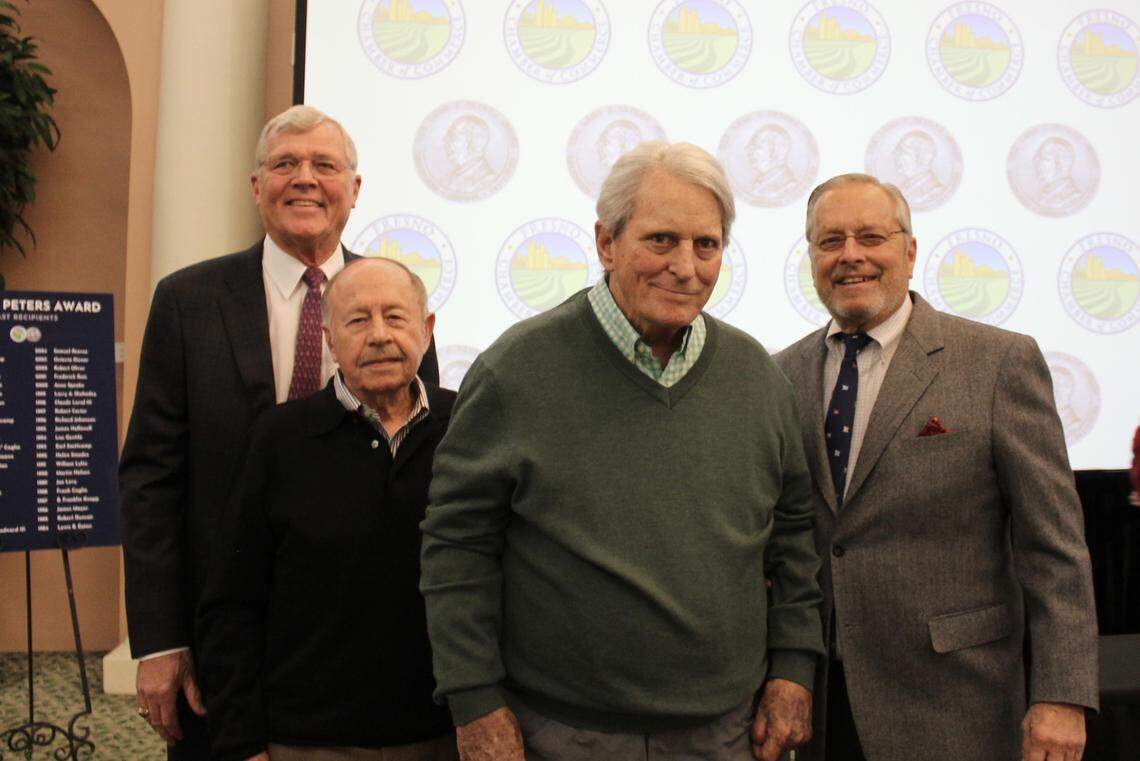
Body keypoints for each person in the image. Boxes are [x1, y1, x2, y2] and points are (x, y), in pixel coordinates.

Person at [420, 141, 824, 761]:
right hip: (559, 733)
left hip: (728, 732)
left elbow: (794, 536)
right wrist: (474, 701)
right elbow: (457, 546)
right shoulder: (516, 370)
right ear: (606, 243)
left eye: (706, 245)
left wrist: (795, 667)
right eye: (661, 240)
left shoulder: (756, 375)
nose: (686, 267)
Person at [119, 104, 437, 758]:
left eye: (325, 165)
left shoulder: (392, 305)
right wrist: (159, 639)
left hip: (357, 655)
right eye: (285, 164)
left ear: (354, 189)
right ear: (256, 185)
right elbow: (151, 476)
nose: (305, 179)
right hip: (217, 636)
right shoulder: (188, 301)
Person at [775, 173, 1098, 761]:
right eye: (830, 241)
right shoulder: (780, 375)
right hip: (823, 710)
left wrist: (1062, 694)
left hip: (958, 705)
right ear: (812, 256)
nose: (851, 255)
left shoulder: (999, 363)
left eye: (871, 236)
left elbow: (1053, 546)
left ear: (910, 251)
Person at [196, 258, 456, 761]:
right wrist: (241, 742)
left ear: (426, 332)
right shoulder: (278, 439)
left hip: (443, 734)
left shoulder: (468, 427)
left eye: (395, 317)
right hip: (308, 739)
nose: (379, 335)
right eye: (358, 320)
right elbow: (232, 601)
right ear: (330, 340)